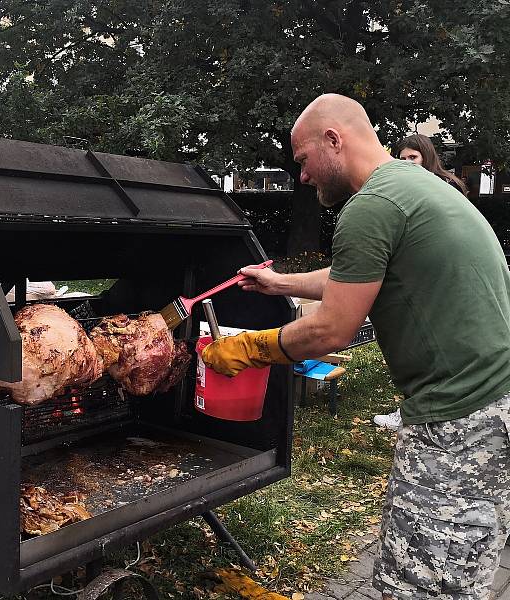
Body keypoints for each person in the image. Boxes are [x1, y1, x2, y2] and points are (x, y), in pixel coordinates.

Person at [202, 94, 510, 600]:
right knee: (464, 568)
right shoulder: (411, 188)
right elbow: (359, 277)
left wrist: (248, 349)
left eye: (302, 160)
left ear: (333, 140)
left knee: (420, 584)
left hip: (460, 421)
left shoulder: (371, 206)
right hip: (490, 409)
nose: (301, 176)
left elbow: (331, 332)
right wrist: (279, 284)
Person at [372, 133, 468, 430]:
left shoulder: (444, 187)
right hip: (422, 281)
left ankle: (428, 411)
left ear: (427, 157)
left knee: (432, 349)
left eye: (413, 158)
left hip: (442, 283)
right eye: (401, 159)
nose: (407, 164)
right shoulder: (404, 191)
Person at [395, 133, 468, 195]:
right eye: (403, 159)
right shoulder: (399, 186)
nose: (407, 162)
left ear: (426, 157)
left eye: (413, 157)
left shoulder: (447, 184)